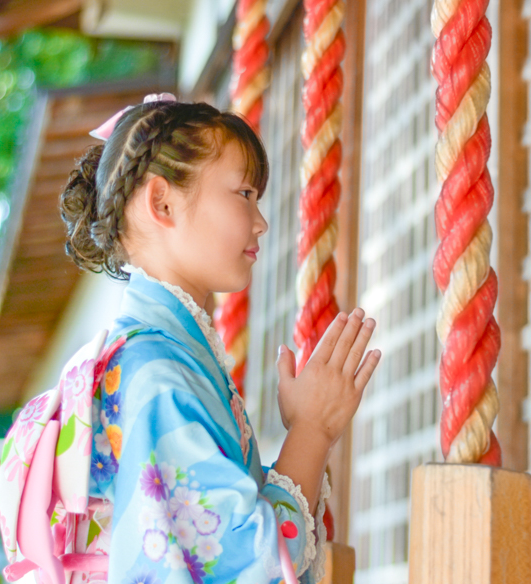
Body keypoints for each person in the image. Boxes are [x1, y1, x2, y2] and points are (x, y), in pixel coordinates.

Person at [58, 94, 381, 584]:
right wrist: (312, 430)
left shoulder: (157, 360)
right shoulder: (157, 375)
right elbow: (242, 566)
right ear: (162, 202)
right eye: (244, 194)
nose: (261, 222)